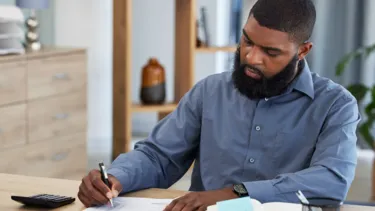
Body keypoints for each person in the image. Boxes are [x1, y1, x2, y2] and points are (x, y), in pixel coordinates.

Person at [77, 0, 361, 210]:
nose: (251, 57)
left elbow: (330, 180)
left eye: (270, 52)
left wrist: (235, 194)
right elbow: (159, 156)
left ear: (302, 50)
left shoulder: (336, 105)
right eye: (247, 41)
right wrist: (116, 178)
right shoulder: (209, 91)